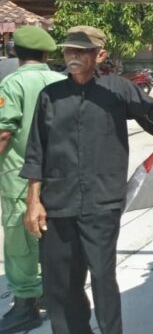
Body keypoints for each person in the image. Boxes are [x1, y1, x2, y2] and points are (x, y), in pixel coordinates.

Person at [20, 25, 153, 334]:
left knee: (102, 276)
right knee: (61, 282)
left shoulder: (117, 88)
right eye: (69, 50)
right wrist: (33, 200)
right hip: (57, 203)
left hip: (102, 202)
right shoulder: (51, 95)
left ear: (99, 55)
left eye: (81, 51)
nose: (72, 55)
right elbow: (36, 151)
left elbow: (150, 111)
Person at [0, 26, 65, 333]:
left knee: (20, 240)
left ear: (15, 52)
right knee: (54, 236)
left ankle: (27, 306)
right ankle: (55, 299)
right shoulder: (62, 80)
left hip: (21, 178)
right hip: (59, 176)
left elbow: (3, 132)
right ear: (47, 53)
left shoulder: (12, 84)